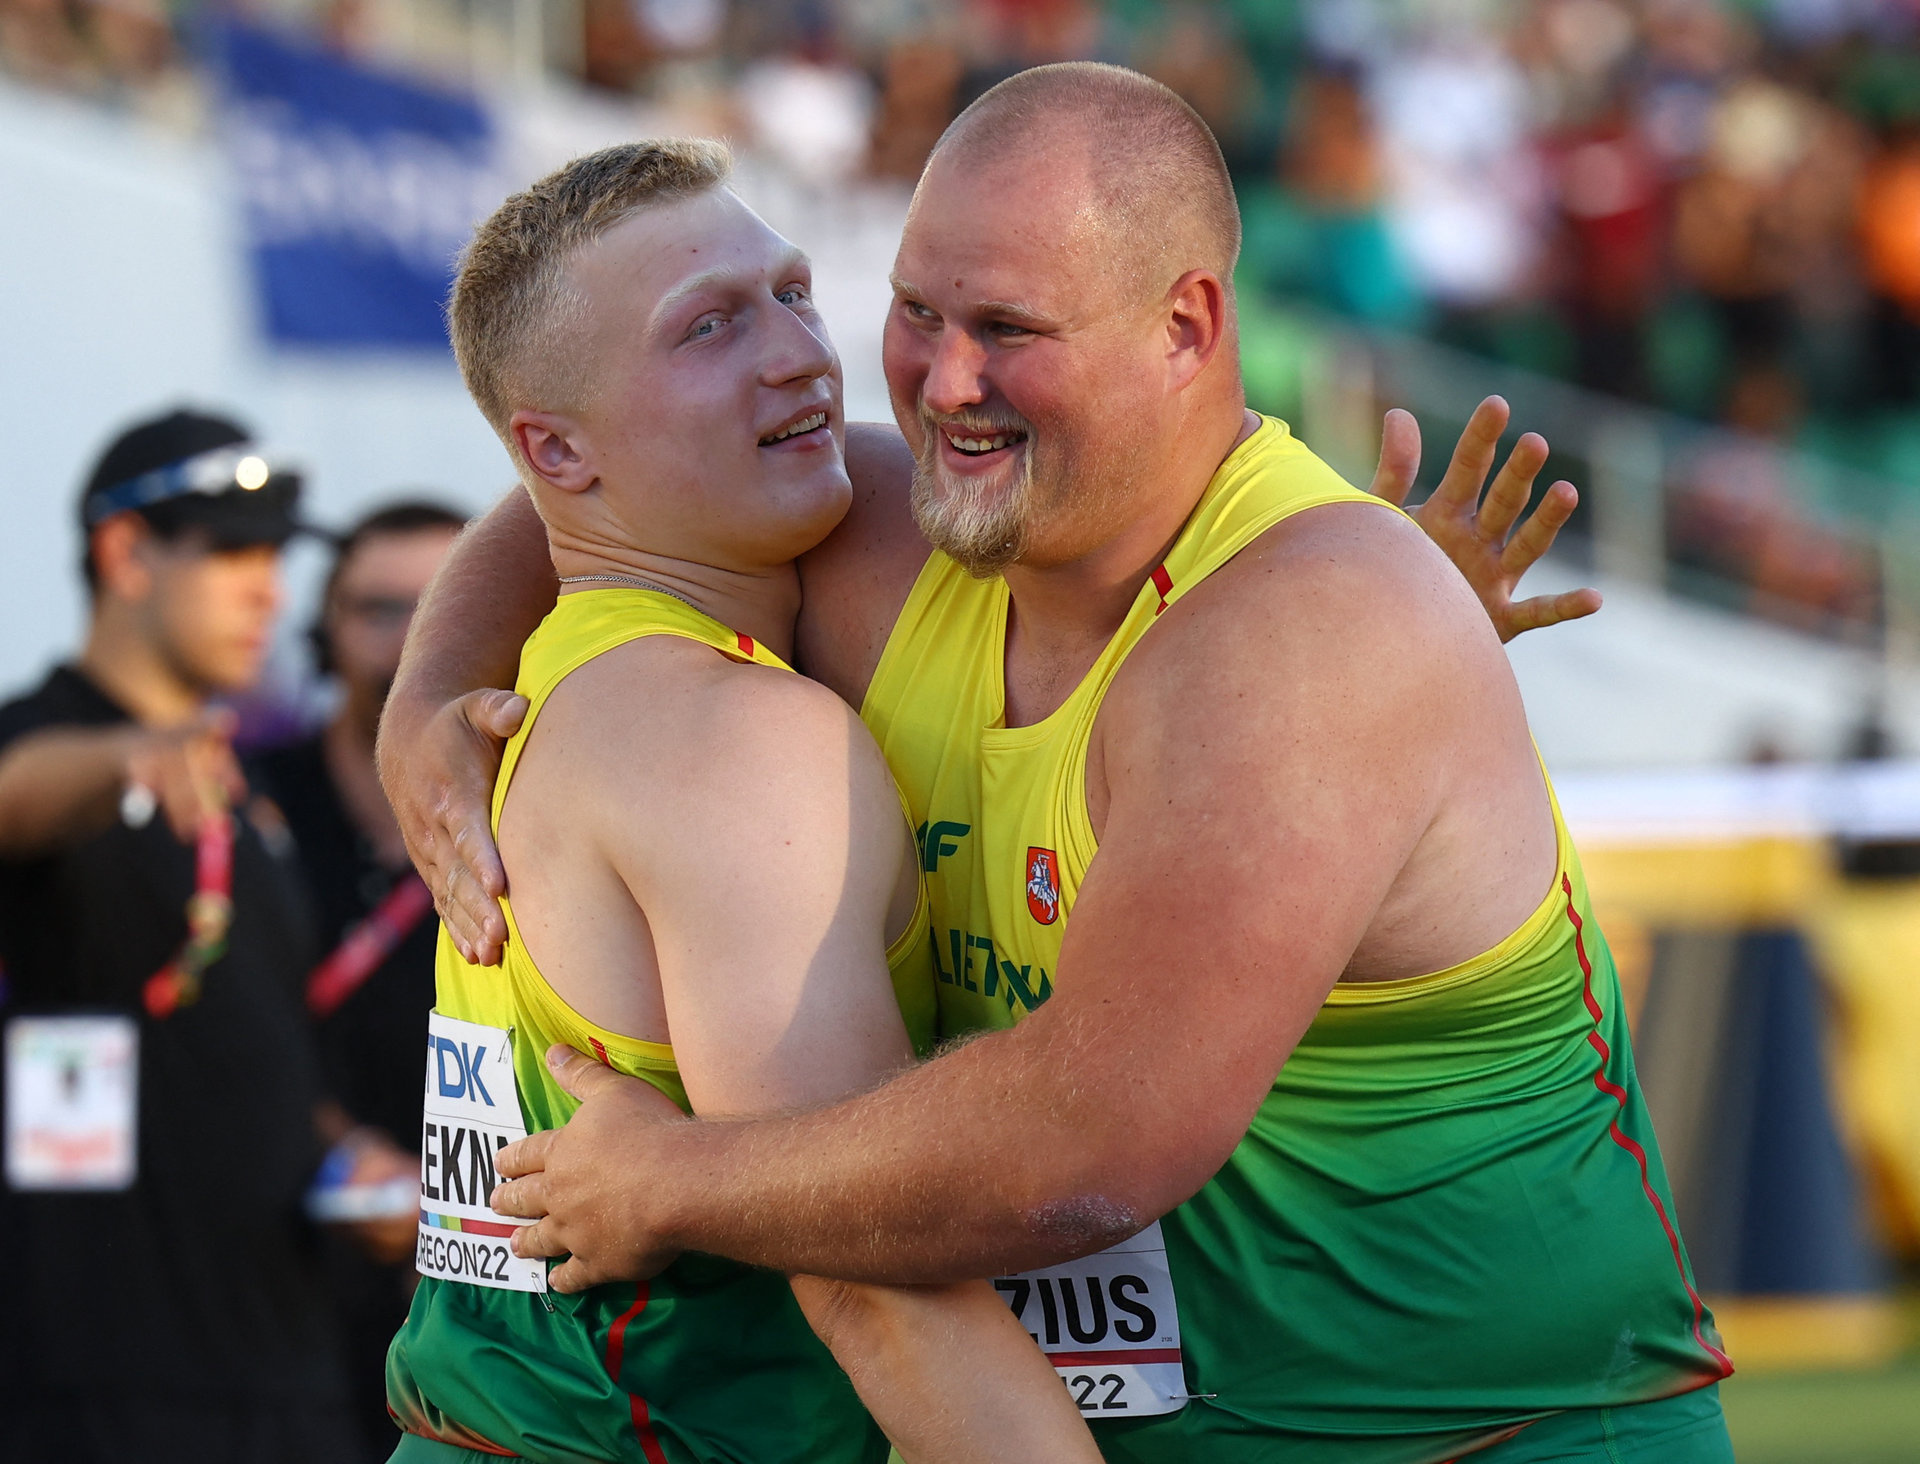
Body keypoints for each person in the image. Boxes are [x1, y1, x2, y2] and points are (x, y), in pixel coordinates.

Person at [384, 67, 1734, 1464]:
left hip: (1473, 1443)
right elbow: (603, 484)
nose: (942, 380)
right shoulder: (897, 535)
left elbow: (1087, 1150)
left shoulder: (1307, 636)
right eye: (916, 313)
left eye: (1008, 329)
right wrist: (426, 693)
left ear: (1187, 328)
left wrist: (676, 1183)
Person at [381, 140, 1104, 1464]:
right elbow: (876, 1292)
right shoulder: (726, 741)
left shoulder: (576, 679)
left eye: (792, 293)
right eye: (708, 328)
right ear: (555, 447)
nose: (799, 356)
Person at [0, 409, 369, 1462]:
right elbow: (16, 797)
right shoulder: (51, 741)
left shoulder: (246, 795)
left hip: (288, 1379)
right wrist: (125, 755)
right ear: (124, 556)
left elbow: (256, 1054)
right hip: (99, 1393)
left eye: (276, 558)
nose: (270, 592)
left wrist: (354, 1163)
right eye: (234, 554)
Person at [253, 500, 467, 1460]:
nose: (408, 640)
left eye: (439, 606)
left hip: (464, 1308)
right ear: (324, 627)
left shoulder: (538, 798)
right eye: (377, 609)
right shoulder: (247, 795)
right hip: (260, 1286)